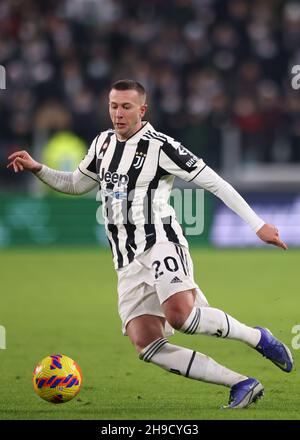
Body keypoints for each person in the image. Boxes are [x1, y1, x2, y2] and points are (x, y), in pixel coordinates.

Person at [7, 79, 293, 409]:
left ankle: (257, 337)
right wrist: (38, 169)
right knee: (147, 345)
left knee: (181, 317)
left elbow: (214, 181)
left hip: (161, 242)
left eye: (126, 106)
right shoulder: (102, 144)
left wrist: (258, 225)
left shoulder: (160, 146)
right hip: (126, 259)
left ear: (142, 110)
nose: (118, 113)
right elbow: (75, 183)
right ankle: (241, 383)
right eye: (113, 106)